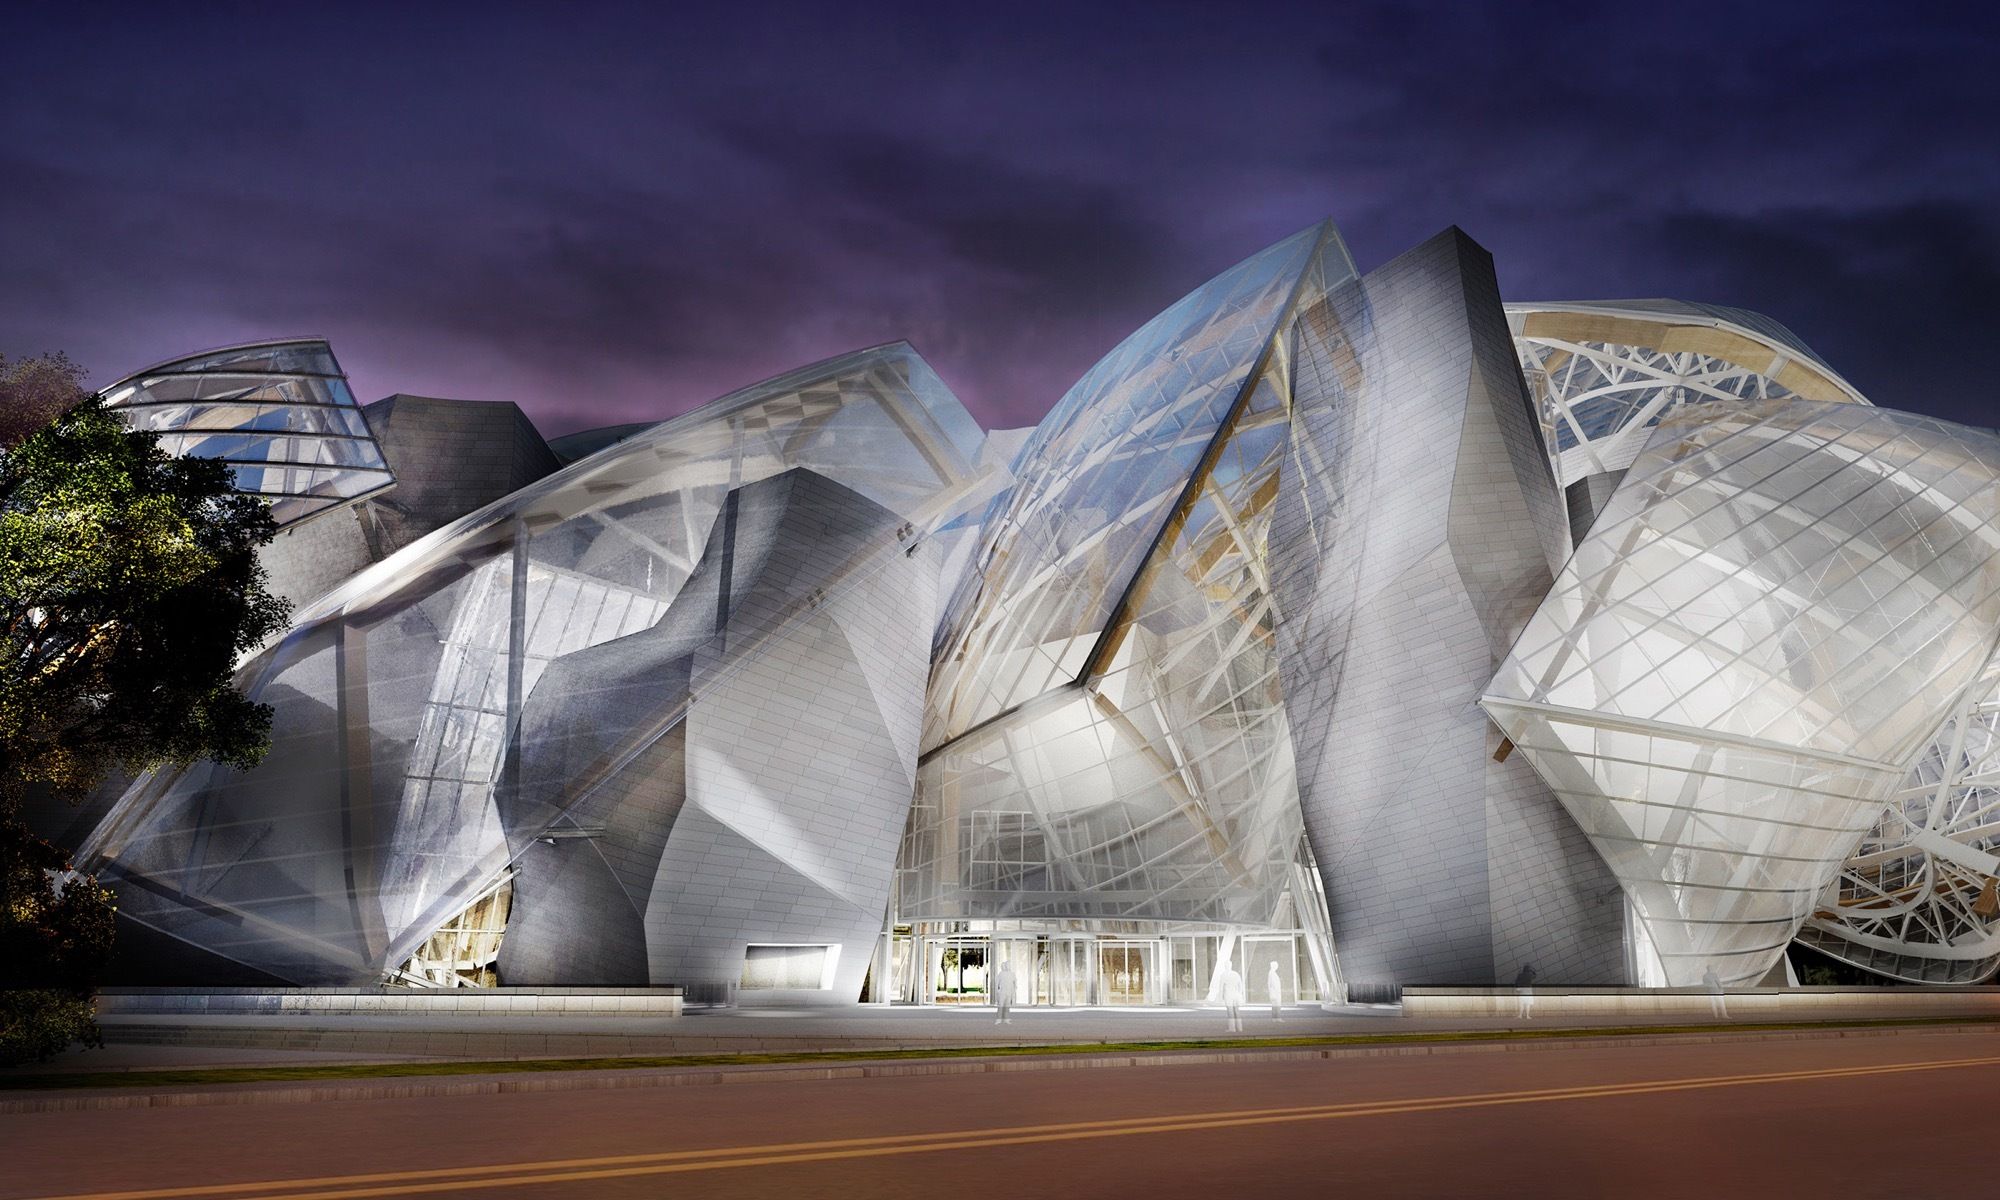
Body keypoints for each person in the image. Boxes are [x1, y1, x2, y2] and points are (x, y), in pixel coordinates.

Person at [1219, 960, 1246, 1033]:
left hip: (1228, 995)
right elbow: (1240, 985)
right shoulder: (1235, 974)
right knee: (1237, 1011)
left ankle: (1232, 1028)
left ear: (1225, 966)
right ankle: (1240, 1028)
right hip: (1235, 995)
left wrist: (1221, 997)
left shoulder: (1223, 975)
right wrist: (1240, 994)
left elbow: (1221, 987)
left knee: (1230, 1012)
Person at [993, 959, 1016, 1025]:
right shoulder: (1001, 974)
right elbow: (997, 983)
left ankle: (1006, 1019)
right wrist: (997, 991)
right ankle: (999, 1019)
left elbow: (1014, 984)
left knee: (1007, 1006)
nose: (1008, 966)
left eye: (1009, 965)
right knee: (1001, 1006)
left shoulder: (1012, 974)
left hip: (1008, 992)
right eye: (1008, 965)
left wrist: (1013, 993)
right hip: (1002, 992)